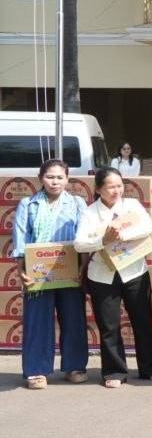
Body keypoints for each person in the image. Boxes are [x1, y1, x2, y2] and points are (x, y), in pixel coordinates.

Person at [75, 166, 152, 387]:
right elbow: (79, 243)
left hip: (134, 272)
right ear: (98, 189)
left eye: (119, 185)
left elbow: (149, 226)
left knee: (142, 321)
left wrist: (122, 235)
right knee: (109, 326)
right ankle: (114, 371)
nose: (116, 191)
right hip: (102, 276)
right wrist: (103, 240)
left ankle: (150, 367)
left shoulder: (131, 205)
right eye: (110, 187)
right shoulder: (89, 212)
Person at [13, 159, 88, 389]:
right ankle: (36, 371)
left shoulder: (77, 203)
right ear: (41, 178)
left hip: (69, 270)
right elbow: (20, 238)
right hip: (37, 272)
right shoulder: (28, 204)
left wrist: (83, 266)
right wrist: (21, 269)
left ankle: (75, 366)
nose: (55, 182)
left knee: (73, 319)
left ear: (67, 179)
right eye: (50, 177)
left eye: (60, 177)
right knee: (37, 322)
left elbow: (85, 236)